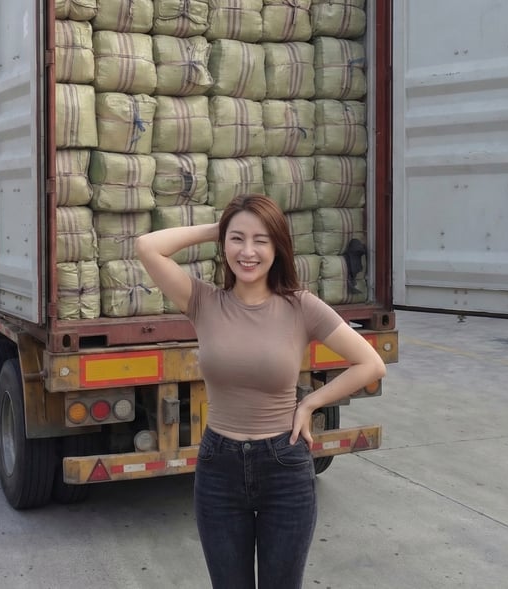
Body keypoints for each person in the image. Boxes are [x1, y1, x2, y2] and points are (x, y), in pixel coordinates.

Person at [135, 194, 386, 589]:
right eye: (237, 240)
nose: (248, 252)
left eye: (261, 240)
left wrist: (310, 403)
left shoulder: (301, 307)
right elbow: (148, 247)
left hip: (284, 467)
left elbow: (370, 363)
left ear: (278, 247)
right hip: (219, 467)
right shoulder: (203, 301)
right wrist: (222, 227)